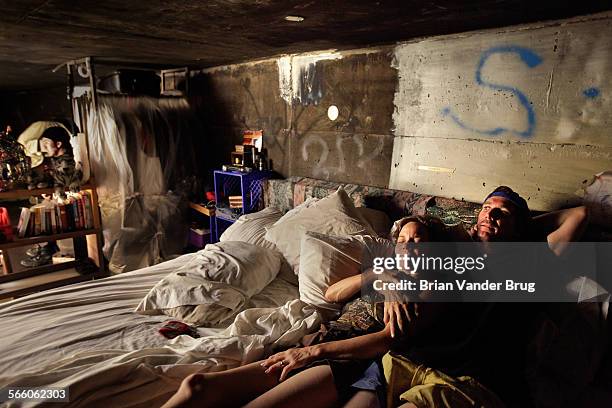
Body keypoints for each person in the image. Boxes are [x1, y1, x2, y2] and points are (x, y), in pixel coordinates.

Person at [162, 186, 589, 408]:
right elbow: (343, 297)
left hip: (452, 376)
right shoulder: (441, 261)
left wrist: (523, 224)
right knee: (199, 386)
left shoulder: (534, 263)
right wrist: (384, 276)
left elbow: (579, 215)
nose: (490, 217)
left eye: (502, 214)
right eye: (485, 210)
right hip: (393, 363)